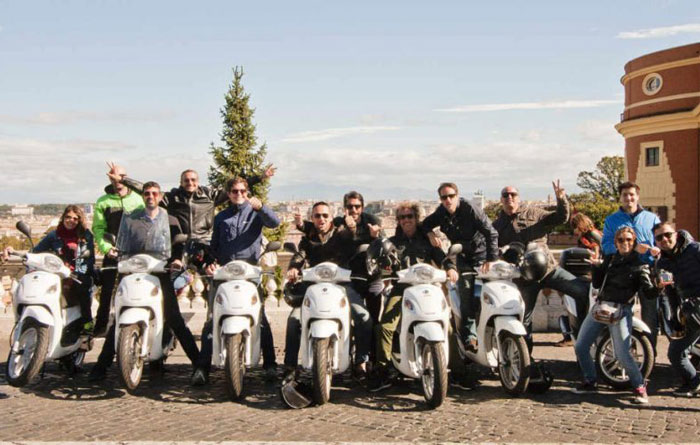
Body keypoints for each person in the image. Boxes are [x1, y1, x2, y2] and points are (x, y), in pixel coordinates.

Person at [89, 182, 200, 381]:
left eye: (154, 193)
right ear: (143, 196)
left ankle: (199, 365)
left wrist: (176, 260)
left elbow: (178, 243)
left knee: (173, 317)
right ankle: (101, 365)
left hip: (160, 270)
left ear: (160, 196)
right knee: (120, 317)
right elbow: (123, 241)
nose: (150, 197)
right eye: (147, 193)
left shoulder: (170, 219)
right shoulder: (131, 219)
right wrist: (117, 252)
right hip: (134, 269)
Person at [191, 177, 280, 385]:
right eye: (234, 191)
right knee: (212, 319)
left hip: (249, 273)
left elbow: (274, 223)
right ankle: (202, 368)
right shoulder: (221, 217)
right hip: (225, 273)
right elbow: (214, 245)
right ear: (229, 194)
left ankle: (270, 365)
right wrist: (209, 262)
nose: (238, 194)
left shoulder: (255, 212)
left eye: (242, 191)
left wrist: (261, 208)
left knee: (261, 319)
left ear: (247, 192)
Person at [109, 163, 275, 270]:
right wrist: (123, 181)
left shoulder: (209, 196)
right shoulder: (172, 198)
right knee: (171, 278)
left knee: (211, 276)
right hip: (180, 243)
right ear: (181, 182)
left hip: (204, 242)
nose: (190, 183)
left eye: (193, 180)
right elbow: (147, 190)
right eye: (186, 180)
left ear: (198, 181)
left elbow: (237, 188)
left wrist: (260, 177)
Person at [368, 201, 456, 392]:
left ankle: (458, 370)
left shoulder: (428, 240)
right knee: (385, 326)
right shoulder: (392, 242)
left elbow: (441, 257)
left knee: (447, 326)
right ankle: (383, 370)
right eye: (402, 217)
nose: (406, 220)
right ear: (398, 220)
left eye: (409, 216)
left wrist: (450, 268)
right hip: (402, 289)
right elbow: (384, 262)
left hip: (427, 288)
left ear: (416, 218)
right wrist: (386, 272)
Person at [492, 181, 589, 351]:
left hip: (548, 270)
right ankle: (525, 358)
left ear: (518, 197)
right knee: (524, 319)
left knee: (583, 291)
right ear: (501, 199)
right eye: (505, 195)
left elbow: (560, 217)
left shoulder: (534, 213)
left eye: (513, 194)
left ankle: (581, 337)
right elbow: (493, 250)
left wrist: (561, 199)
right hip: (523, 277)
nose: (509, 198)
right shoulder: (497, 225)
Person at [572, 227, 657, 404]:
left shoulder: (639, 264)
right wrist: (596, 267)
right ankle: (590, 380)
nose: (625, 243)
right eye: (621, 240)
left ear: (634, 242)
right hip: (602, 307)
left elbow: (649, 293)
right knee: (581, 346)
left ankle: (639, 387)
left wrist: (660, 286)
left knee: (622, 354)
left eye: (629, 240)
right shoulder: (610, 259)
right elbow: (597, 284)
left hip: (621, 311)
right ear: (616, 242)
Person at [282, 201, 359, 379]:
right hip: (314, 287)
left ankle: (362, 362)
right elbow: (300, 254)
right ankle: (290, 366)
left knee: (362, 318)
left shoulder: (341, 234)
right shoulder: (308, 237)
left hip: (341, 285)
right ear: (312, 218)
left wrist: (352, 228)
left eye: (325, 215)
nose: (321, 219)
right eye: (317, 216)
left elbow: (352, 240)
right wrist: (294, 267)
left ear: (331, 217)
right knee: (294, 320)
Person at [423, 182, 498, 350]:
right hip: (463, 257)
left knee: (493, 293)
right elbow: (425, 224)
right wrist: (430, 233)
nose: (448, 200)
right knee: (466, 295)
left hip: (482, 256)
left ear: (457, 196)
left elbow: (491, 233)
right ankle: (470, 337)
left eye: (451, 196)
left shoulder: (470, 209)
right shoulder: (441, 213)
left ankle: (496, 330)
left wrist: (491, 259)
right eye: (444, 197)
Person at [3, 205, 95, 332]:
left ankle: (87, 324)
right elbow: (36, 252)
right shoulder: (54, 235)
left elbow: (88, 258)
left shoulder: (85, 236)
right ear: (63, 218)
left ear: (79, 220)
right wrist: (13, 251)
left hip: (77, 274)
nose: (71, 220)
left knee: (82, 288)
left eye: (75, 218)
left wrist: (78, 272)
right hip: (56, 273)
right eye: (68, 217)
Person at [602, 181, 661, 348]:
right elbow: (606, 246)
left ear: (637, 196)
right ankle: (625, 352)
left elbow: (660, 241)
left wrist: (656, 249)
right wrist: (631, 248)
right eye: (625, 195)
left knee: (650, 316)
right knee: (622, 314)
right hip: (623, 272)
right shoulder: (611, 220)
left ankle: (650, 354)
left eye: (632, 194)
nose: (629, 198)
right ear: (620, 198)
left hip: (647, 271)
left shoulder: (652, 218)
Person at [92, 163, 145, 337]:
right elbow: (98, 228)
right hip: (112, 251)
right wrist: (106, 248)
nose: (117, 180)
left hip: (133, 252)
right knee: (106, 291)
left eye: (121, 176)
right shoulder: (103, 201)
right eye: (113, 176)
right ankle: (101, 325)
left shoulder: (138, 198)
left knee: (130, 289)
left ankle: (125, 324)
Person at [654, 222, 700, 397]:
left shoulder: (695, 250)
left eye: (668, 234)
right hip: (690, 311)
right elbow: (670, 292)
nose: (664, 239)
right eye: (659, 237)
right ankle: (694, 382)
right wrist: (674, 316)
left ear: (676, 234)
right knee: (676, 352)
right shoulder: (662, 263)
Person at [331, 191, 384, 326]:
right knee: (347, 318)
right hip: (349, 277)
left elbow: (384, 245)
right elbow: (336, 245)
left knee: (374, 318)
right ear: (345, 208)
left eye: (357, 206)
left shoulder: (372, 221)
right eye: (350, 207)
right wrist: (350, 230)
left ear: (362, 207)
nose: (354, 210)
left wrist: (375, 237)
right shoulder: (339, 222)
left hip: (372, 276)